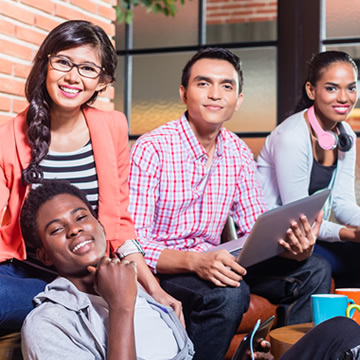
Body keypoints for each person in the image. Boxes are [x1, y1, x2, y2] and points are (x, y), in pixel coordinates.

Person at [128, 47, 332, 360]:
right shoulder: (152, 148)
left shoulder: (236, 151)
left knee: (316, 268)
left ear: (237, 100)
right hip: (168, 268)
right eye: (203, 83)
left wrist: (293, 246)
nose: (215, 94)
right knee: (230, 295)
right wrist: (195, 261)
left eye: (227, 86)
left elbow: (256, 226)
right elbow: (135, 243)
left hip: (218, 260)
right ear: (184, 93)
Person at [0, 19, 181, 332]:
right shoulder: (9, 137)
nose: (73, 76)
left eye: (87, 68)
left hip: (92, 273)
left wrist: (154, 289)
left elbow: (119, 224)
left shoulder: (112, 126)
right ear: (46, 64)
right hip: (27, 272)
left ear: (103, 81)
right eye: (63, 62)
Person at [19, 180, 194, 360]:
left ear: (101, 227)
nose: (75, 229)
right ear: (44, 256)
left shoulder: (142, 292)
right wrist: (120, 306)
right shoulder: (47, 324)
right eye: (57, 229)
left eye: (81, 217)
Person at [256, 51, 360, 287]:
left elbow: (343, 204)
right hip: (273, 244)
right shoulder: (292, 136)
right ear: (312, 90)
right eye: (332, 88)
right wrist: (350, 234)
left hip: (304, 239)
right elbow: (299, 220)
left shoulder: (345, 136)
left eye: (351, 88)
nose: (344, 98)